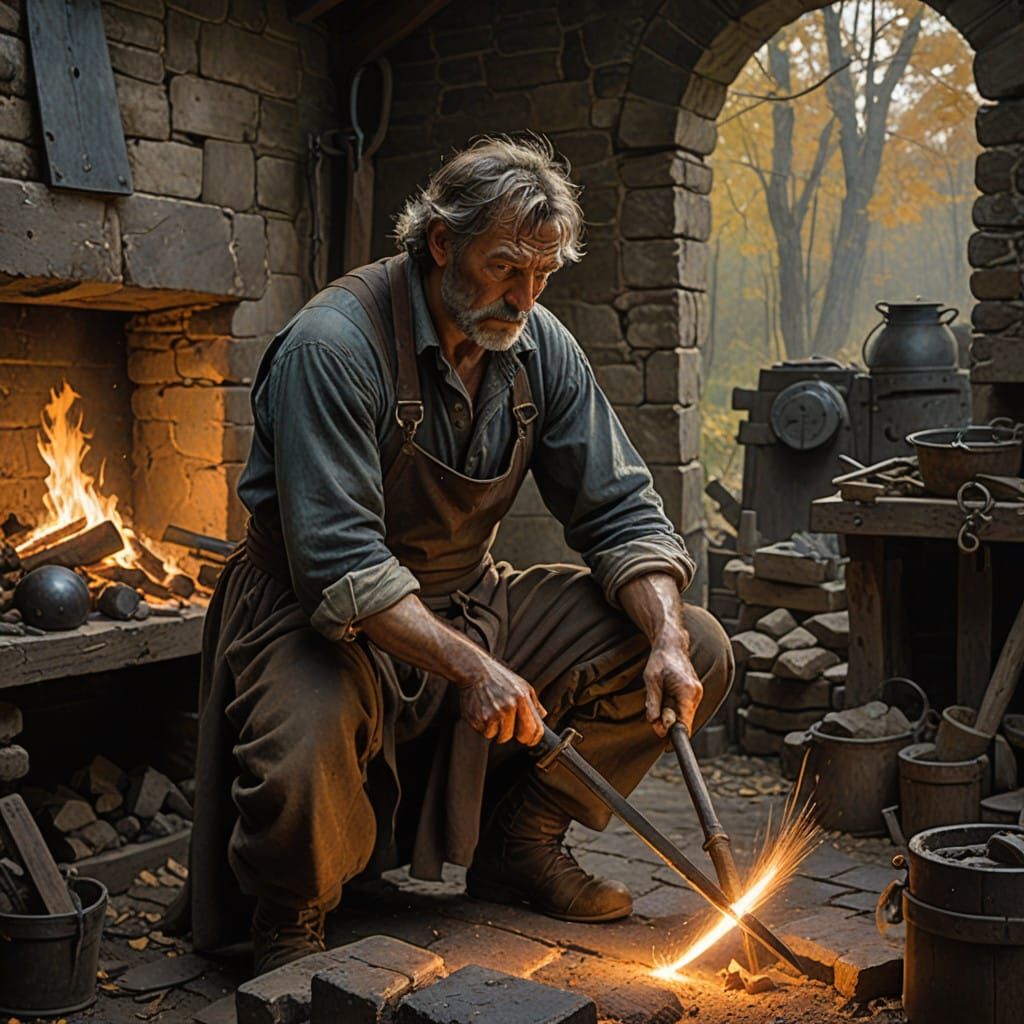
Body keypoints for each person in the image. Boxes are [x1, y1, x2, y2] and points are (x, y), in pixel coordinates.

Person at [186, 135, 734, 975]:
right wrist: (473, 669)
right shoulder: (332, 347)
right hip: (318, 613)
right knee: (301, 757)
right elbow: (339, 567)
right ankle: (290, 917)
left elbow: (620, 507)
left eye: (543, 275)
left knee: (699, 645)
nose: (525, 297)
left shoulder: (535, 345)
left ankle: (523, 842)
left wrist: (660, 635)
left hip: (467, 596)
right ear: (442, 243)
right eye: (506, 268)